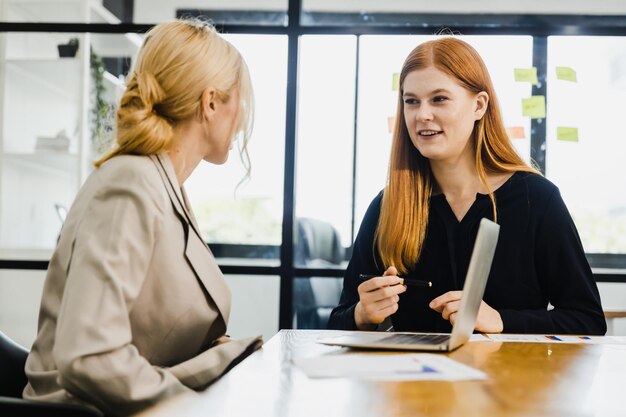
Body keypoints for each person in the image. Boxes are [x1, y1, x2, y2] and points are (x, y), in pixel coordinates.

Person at [23, 19, 261, 416]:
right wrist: (196, 402)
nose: (244, 116)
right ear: (211, 102)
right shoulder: (131, 181)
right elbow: (89, 357)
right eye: (241, 98)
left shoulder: (161, 182)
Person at [328, 37, 606, 336]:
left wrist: (502, 321)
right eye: (411, 101)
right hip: (413, 380)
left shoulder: (536, 198)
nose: (422, 115)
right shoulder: (389, 205)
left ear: (479, 105)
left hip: (510, 381)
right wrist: (362, 313)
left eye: (439, 99)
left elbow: (587, 319)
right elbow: (337, 321)